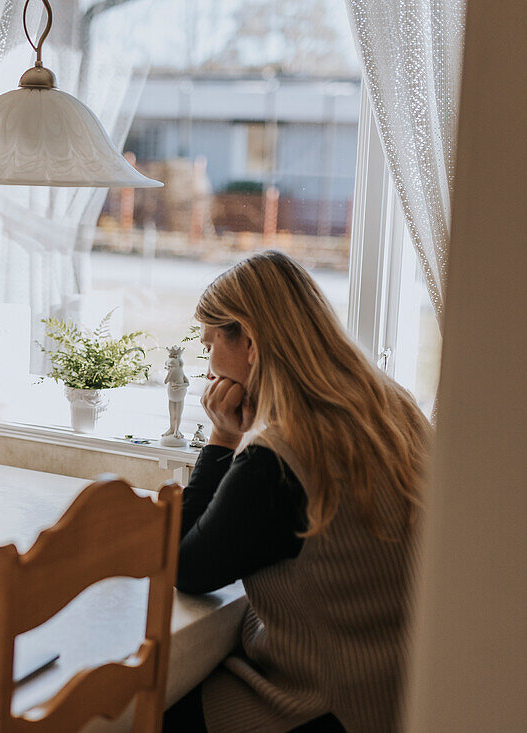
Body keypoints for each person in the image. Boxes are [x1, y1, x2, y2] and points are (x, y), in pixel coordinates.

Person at [167, 251, 431, 732]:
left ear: (249, 339)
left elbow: (184, 566)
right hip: (401, 694)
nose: (208, 368)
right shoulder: (394, 408)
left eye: (211, 345)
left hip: (323, 707)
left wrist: (223, 439)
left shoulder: (284, 457)